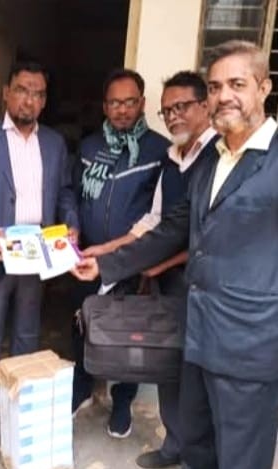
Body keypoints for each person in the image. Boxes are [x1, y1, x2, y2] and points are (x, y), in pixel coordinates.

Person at [72, 40, 278, 469]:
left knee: (241, 456)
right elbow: (171, 230)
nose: (224, 96)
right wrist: (105, 264)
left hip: (249, 345)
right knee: (197, 444)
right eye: (216, 86)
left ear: (264, 88)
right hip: (195, 331)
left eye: (237, 84)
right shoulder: (212, 162)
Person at [82, 71, 217, 468]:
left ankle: (196, 455)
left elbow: (207, 235)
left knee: (199, 376)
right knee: (168, 364)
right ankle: (173, 446)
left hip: (204, 286)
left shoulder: (218, 157)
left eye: (182, 107)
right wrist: (106, 250)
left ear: (205, 106)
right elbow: (155, 222)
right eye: (168, 110)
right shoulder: (173, 159)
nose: (174, 116)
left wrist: (154, 263)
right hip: (169, 282)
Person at [0, 60, 79, 441]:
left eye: (38, 94)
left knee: (26, 330)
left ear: (45, 101)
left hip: (37, 253)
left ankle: (19, 397)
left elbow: (65, 191)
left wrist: (72, 223)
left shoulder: (54, 143)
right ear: (6, 92)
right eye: (22, 90)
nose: (29, 100)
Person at [71, 69, 169, 439]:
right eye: (115, 102)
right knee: (82, 323)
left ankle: (123, 401)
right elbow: (74, 196)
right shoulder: (89, 147)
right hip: (88, 257)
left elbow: (160, 214)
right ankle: (82, 387)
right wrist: (72, 232)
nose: (122, 110)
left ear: (142, 103)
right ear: (104, 106)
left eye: (129, 102)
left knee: (132, 336)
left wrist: (143, 261)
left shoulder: (160, 151)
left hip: (133, 260)